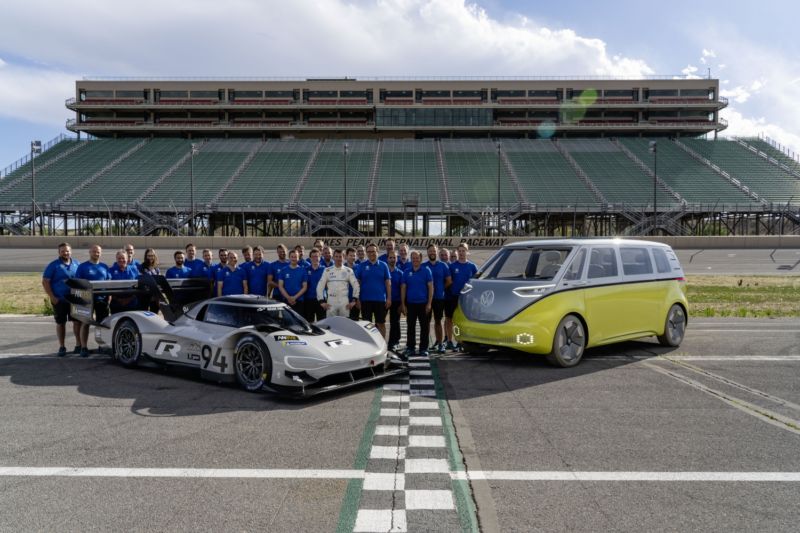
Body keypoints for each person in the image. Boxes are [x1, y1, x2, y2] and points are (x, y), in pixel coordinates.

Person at [42, 242, 81, 356]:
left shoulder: (77, 264)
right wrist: (52, 297)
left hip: (74, 300)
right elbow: (45, 281)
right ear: (59, 252)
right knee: (61, 323)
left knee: (77, 322)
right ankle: (62, 346)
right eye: (63, 251)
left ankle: (78, 345)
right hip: (59, 300)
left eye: (67, 251)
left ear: (71, 251)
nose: (65, 253)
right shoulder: (53, 265)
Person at [75, 244, 110, 357]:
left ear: (101, 253)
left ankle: (101, 345)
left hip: (101, 299)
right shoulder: (82, 267)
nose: (96, 253)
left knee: (101, 324)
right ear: (89, 252)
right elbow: (78, 284)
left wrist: (109, 297)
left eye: (98, 252)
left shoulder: (104, 267)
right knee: (85, 323)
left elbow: (109, 283)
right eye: (94, 251)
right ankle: (84, 347)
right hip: (86, 299)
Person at [445, 243, 478, 351]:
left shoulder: (472, 266)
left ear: (467, 252)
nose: (461, 253)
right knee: (450, 318)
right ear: (457, 252)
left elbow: (476, 282)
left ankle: (463, 342)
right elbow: (448, 282)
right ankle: (449, 341)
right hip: (454, 297)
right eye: (460, 251)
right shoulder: (452, 266)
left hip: (467, 298)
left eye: (464, 251)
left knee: (465, 320)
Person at [400, 250, 433, 359]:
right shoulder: (406, 271)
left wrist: (429, 303)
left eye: (417, 258)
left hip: (423, 304)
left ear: (420, 259)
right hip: (410, 304)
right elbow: (403, 288)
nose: (415, 260)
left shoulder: (426, 270)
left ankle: (423, 348)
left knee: (424, 327)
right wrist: (403, 304)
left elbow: (430, 287)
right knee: (411, 327)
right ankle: (410, 347)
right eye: (413, 258)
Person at [357, 243, 392, 337]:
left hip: (380, 300)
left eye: (373, 251)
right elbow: (357, 284)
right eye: (369, 251)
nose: (371, 253)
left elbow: (388, 283)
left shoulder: (384, 265)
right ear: (366, 253)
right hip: (365, 300)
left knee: (381, 324)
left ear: (377, 252)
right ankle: (369, 347)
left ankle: (383, 345)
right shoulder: (361, 266)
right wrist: (357, 299)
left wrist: (389, 298)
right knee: (366, 325)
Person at [423, 244, 452, 354]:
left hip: (439, 298)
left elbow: (449, 281)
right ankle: (424, 345)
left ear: (437, 252)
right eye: (430, 251)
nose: (432, 253)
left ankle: (440, 344)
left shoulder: (443, 266)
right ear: (427, 252)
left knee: (438, 321)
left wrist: (440, 289)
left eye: (434, 251)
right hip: (426, 299)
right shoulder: (424, 266)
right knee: (425, 322)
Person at [317, 249, 360, 318]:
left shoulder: (348, 271)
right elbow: (320, 286)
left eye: (340, 257)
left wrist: (354, 300)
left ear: (343, 257)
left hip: (344, 302)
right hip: (331, 301)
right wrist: (321, 301)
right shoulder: (327, 270)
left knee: (344, 325)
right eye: (336, 256)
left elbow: (356, 285)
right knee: (331, 325)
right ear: (333, 257)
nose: (338, 259)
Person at [108, 249, 140, 314]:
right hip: (116, 304)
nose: (121, 260)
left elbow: (139, 286)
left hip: (132, 303)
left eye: (123, 258)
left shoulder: (134, 269)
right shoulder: (110, 270)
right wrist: (118, 299)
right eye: (119, 258)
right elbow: (108, 287)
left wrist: (129, 299)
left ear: (127, 259)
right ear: (116, 259)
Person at [278, 250, 308, 315]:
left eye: (295, 257)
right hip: (286, 300)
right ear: (289, 258)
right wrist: (288, 298)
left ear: (298, 258)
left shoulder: (303, 270)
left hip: (299, 301)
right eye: (292, 257)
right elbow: (280, 286)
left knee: (298, 323)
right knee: (287, 322)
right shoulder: (283, 270)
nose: (294, 259)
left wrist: (294, 297)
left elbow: (305, 287)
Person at [386, 250, 404, 351]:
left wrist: (402, 304)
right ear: (387, 259)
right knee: (380, 322)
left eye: (394, 258)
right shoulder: (384, 270)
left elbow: (403, 289)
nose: (392, 260)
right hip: (384, 301)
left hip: (396, 301)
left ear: (397, 259)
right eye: (390, 258)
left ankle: (394, 342)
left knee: (395, 322)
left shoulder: (400, 273)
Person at [304, 248, 326, 322]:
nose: (315, 258)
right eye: (313, 256)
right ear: (310, 258)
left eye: (316, 256)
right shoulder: (306, 270)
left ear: (320, 257)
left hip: (321, 300)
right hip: (309, 299)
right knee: (309, 322)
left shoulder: (325, 270)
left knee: (322, 322)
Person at [344, 247, 361, 319]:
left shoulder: (359, 268)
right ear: (346, 256)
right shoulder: (341, 268)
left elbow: (360, 284)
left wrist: (358, 300)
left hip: (355, 301)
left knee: (354, 322)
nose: (352, 257)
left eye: (354, 255)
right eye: (350, 255)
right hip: (343, 300)